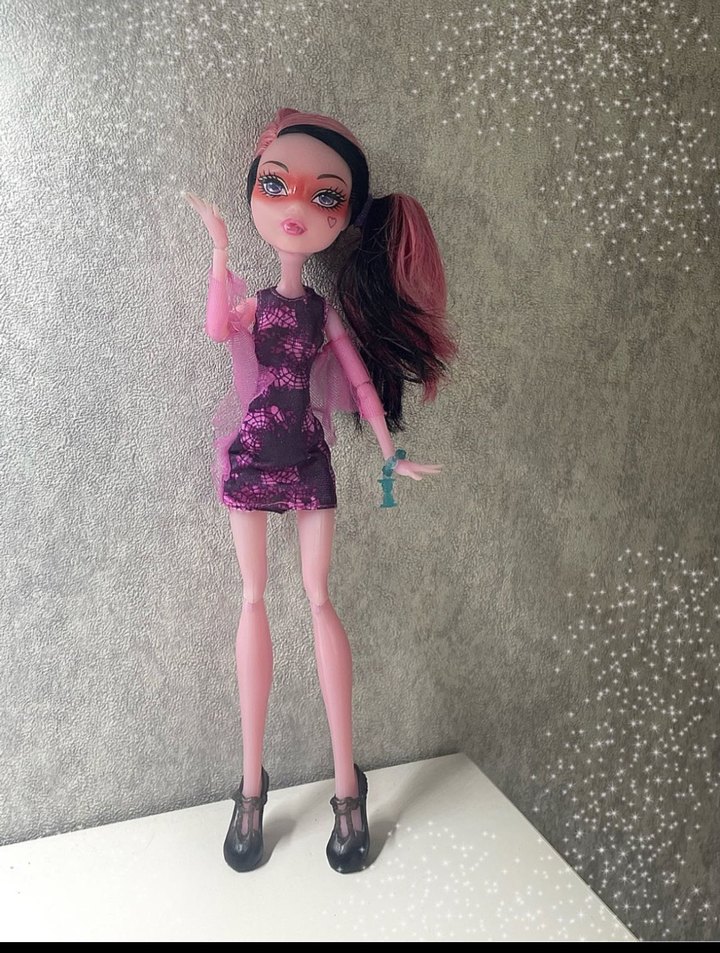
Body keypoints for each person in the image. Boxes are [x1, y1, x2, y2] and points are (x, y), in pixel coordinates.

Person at [184, 108, 456, 874]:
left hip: (307, 458)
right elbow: (216, 328)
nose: (297, 208)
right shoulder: (257, 304)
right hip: (250, 455)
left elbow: (362, 384)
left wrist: (392, 453)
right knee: (252, 599)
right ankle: (250, 786)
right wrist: (218, 251)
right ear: (255, 189)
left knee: (318, 598)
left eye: (324, 196)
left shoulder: (321, 310)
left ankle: (346, 786)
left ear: (345, 218)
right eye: (276, 186)